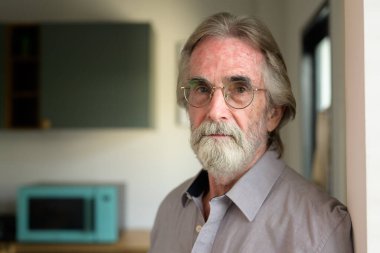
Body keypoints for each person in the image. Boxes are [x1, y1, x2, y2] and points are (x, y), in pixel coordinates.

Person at [149, 12, 353, 253]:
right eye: (201, 88)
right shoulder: (170, 210)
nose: (215, 111)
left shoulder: (320, 231)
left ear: (273, 113)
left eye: (240, 89)